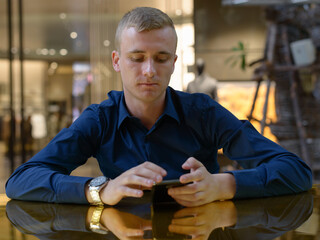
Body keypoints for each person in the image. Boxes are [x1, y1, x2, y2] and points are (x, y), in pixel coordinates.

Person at [6, 7, 312, 208]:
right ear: (117, 61)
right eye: (137, 58)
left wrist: (223, 184)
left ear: (174, 63)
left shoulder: (203, 112)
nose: (149, 71)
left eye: (161, 58)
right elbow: (21, 180)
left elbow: (296, 171)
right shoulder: (100, 119)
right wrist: (100, 189)